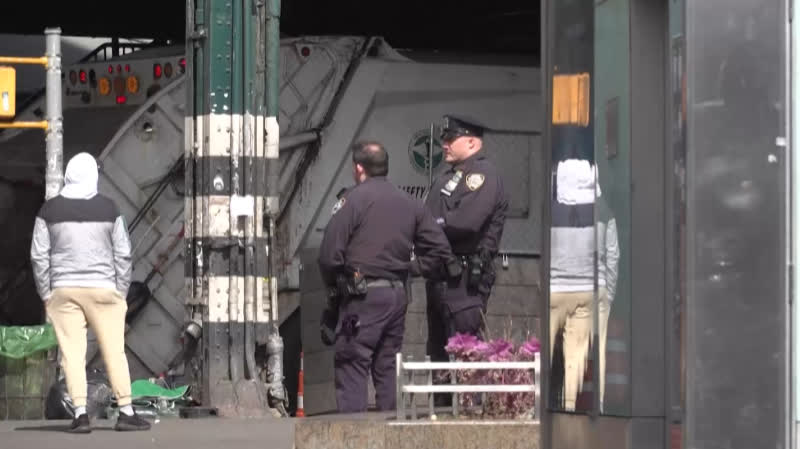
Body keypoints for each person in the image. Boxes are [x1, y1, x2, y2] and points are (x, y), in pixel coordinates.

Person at [317, 140, 457, 413]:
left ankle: (354, 433)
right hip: (397, 295)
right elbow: (441, 250)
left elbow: (329, 255)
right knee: (387, 366)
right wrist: (410, 268)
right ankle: (390, 431)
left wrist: (334, 292)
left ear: (359, 168)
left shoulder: (352, 200)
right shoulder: (411, 203)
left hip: (362, 297)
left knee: (352, 363)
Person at [30, 152, 150, 433]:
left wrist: (46, 293)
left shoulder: (49, 211)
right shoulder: (109, 208)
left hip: (64, 291)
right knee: (114, 351)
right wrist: (121, 291)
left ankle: (80, 414)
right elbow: (123, 254)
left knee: (72, 354)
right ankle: (126, 411)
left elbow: (39, 255)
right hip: (104, 290)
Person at [423, 115, 509, 390]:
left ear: (472, 142)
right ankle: (441, 411)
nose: (444, 145)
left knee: (465, 353)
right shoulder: (445, 178)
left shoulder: (482, 175)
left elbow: (466, 222)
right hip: (440, 275)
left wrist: (432, 226)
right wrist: (433, 226)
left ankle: (468, 412)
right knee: (439, 357)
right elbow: (426, 218)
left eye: (451, 139)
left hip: (464, 280)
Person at [548, 157, 618, 412]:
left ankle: (539, 402)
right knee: (578, 354)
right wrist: (609, 292)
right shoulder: (604, 212)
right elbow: (613, 255)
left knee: (545, 350)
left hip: (555, 289)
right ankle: (574, 407)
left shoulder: (551, 211)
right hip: (590, 290)